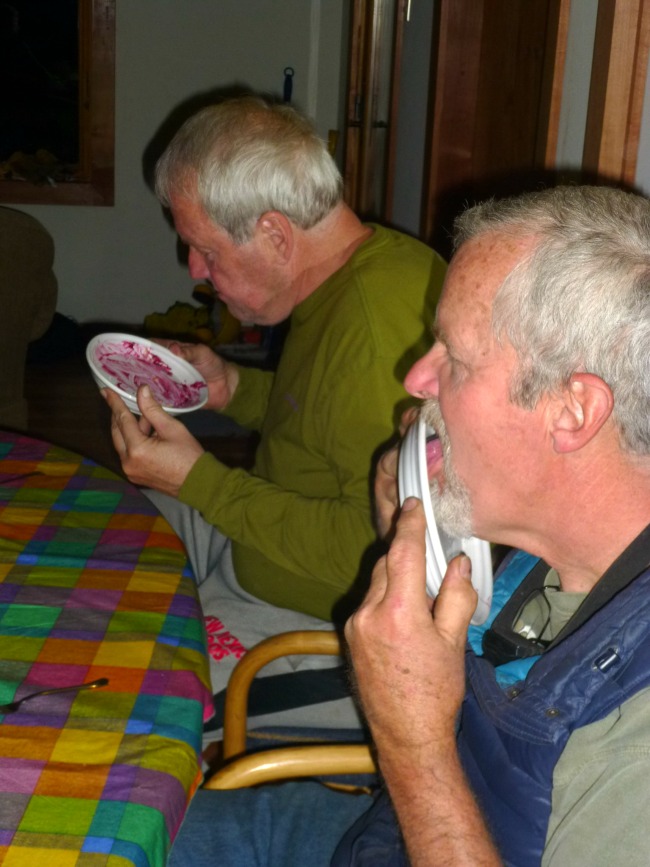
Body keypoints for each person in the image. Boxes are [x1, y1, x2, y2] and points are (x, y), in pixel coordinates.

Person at [166, 183, 650, 866]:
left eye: (453, 356)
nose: (417, 378)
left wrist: (414, 744)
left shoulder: (638, 751)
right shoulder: (547, 538)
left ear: (572, 411)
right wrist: (416, 551)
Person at [104, 95, 445, 730]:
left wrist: (200, 482)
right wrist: (232, 388)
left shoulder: (373, 334)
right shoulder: (367, 267)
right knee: (99, 537)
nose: (195, 272)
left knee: (123, 699)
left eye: (203, 250)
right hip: (254, 545)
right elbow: (320, 418)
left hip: (320, 621)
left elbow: (374, 549)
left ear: (274, 234)